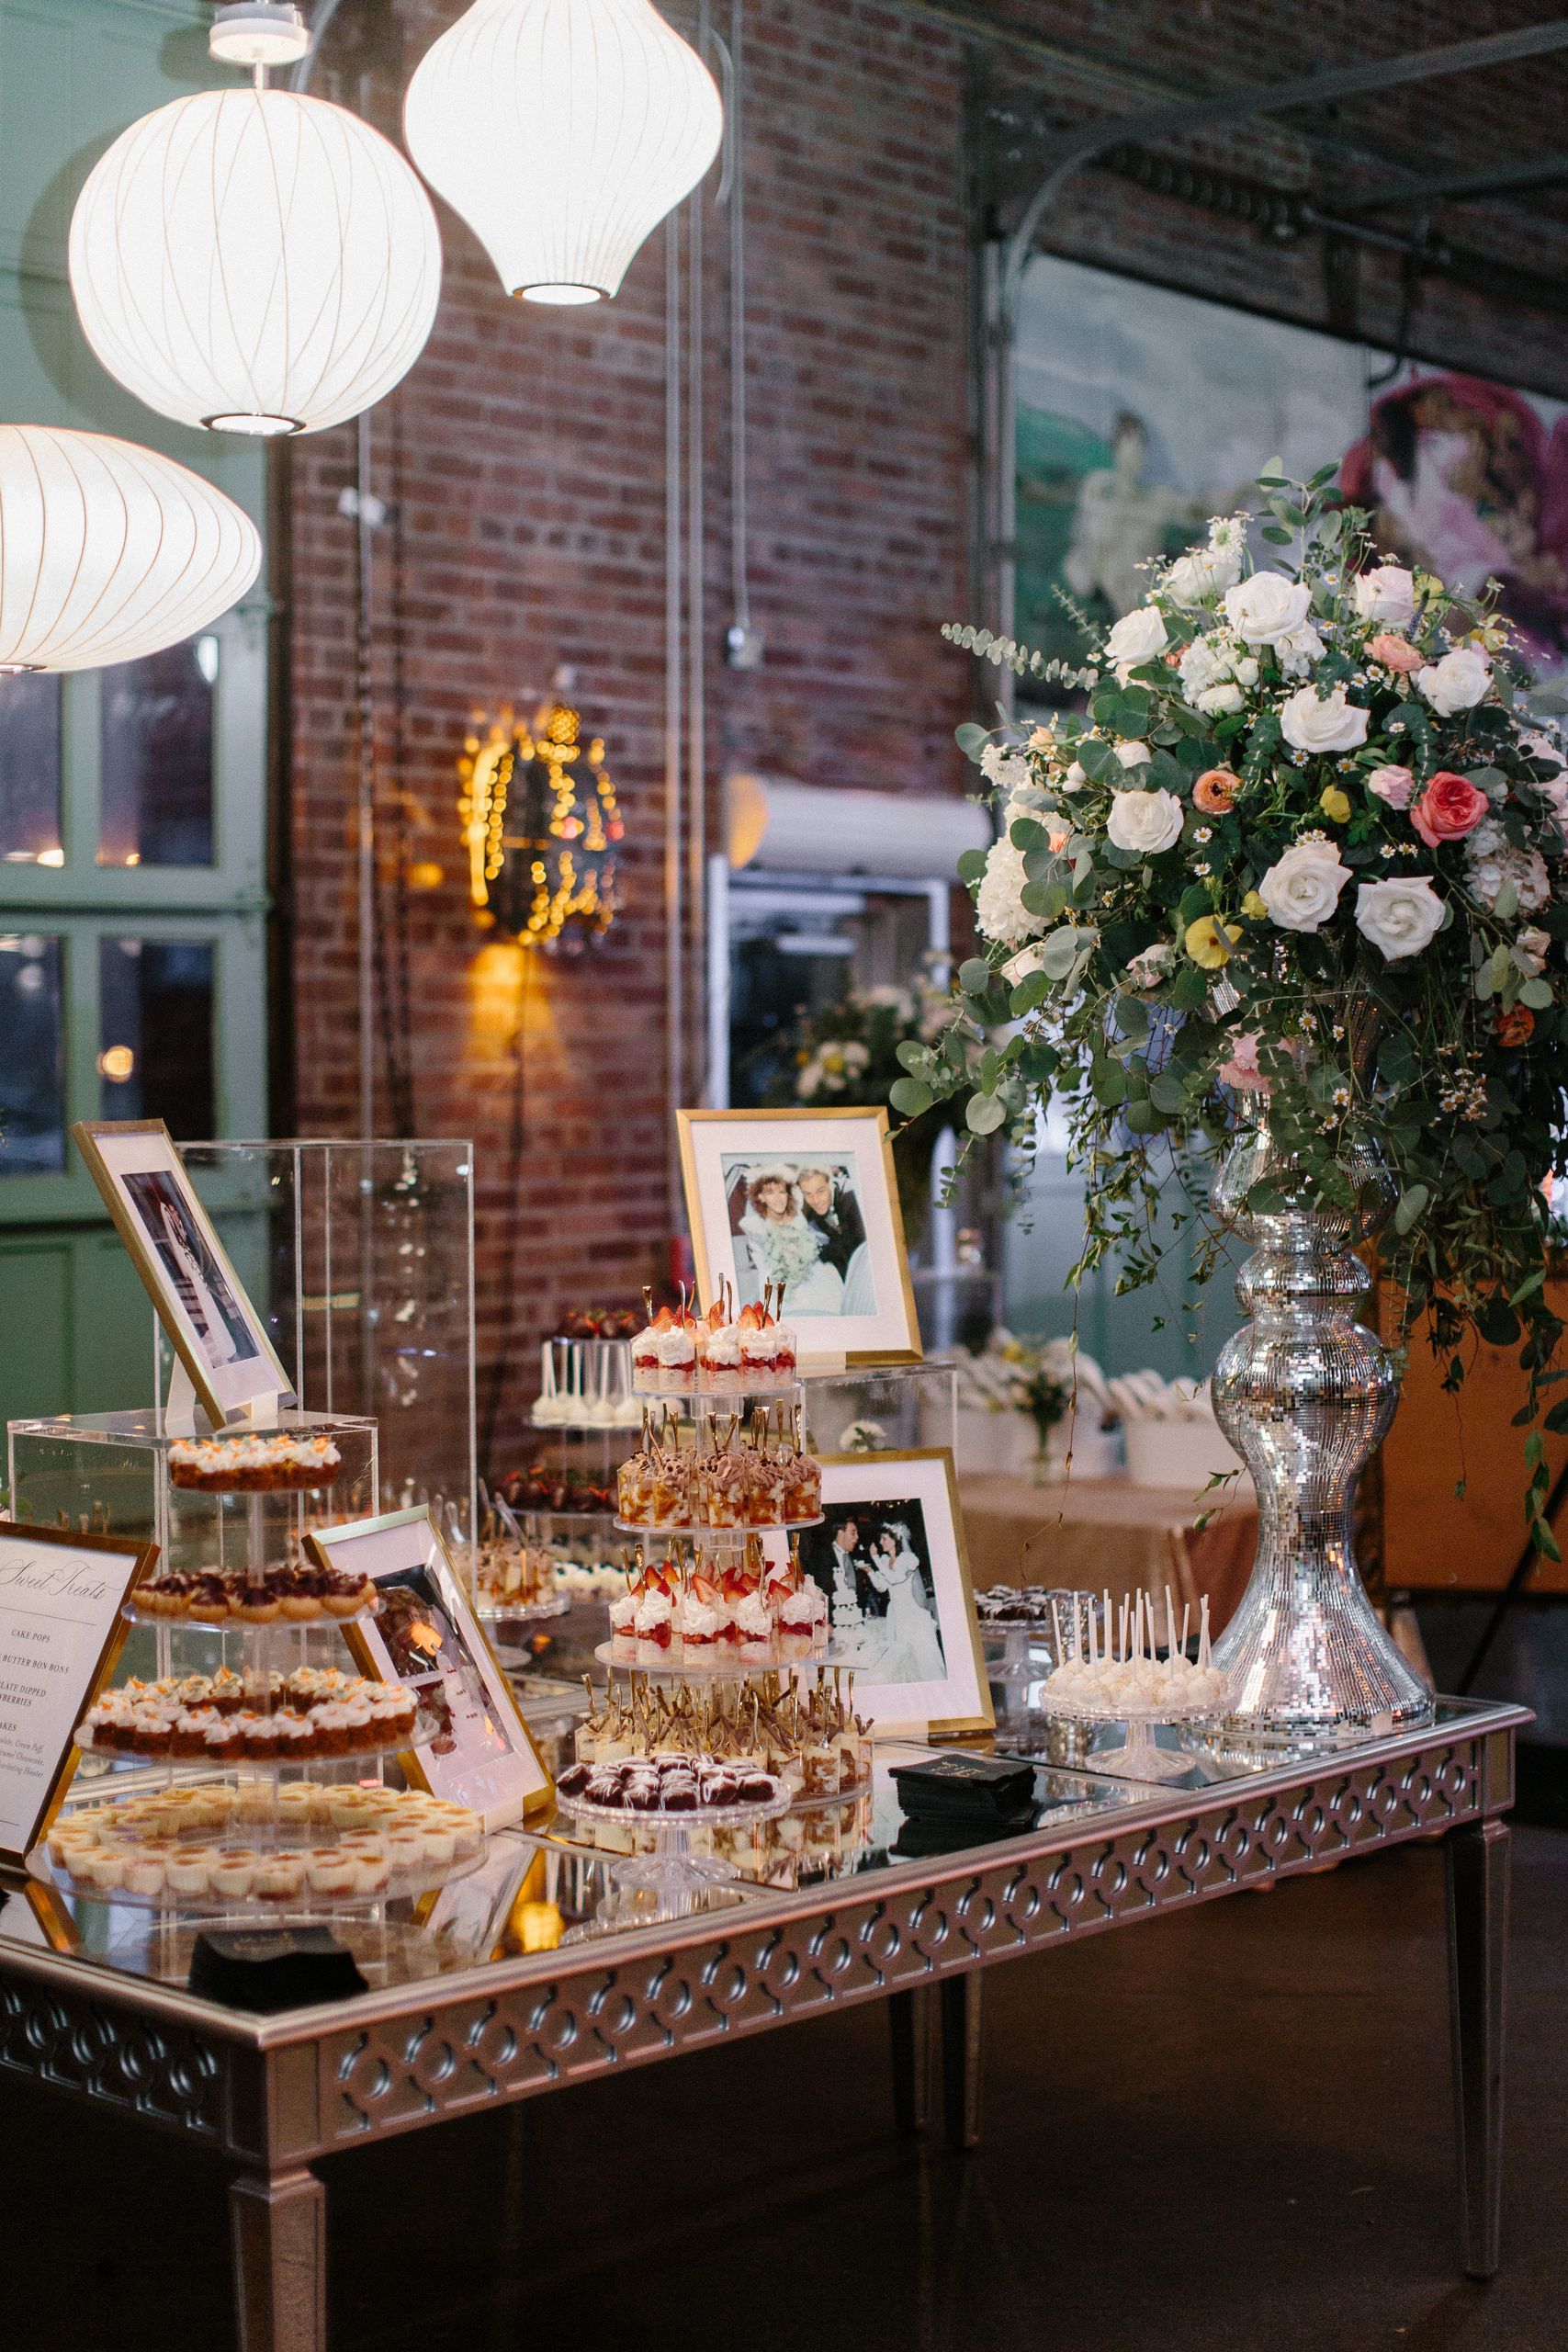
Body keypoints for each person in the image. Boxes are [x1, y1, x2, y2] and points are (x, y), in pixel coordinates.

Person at [739, 1167, 844, 1315]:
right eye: (770, 1193)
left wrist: (802, 1258)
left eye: (782, 1192)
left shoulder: (797, 1218)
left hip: (807, 1270)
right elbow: (763, 1264)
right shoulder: (756, 1226)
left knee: (827, 1281)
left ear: (788, 1194)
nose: (778, 1198)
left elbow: (808, 1248)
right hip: (776, 1277)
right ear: (761, 1196)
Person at [866, 1522, 946, 1684]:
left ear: (895, 1540)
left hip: (909, 1612)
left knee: (919, 1652)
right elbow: (882, 1587)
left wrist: (875, 1558)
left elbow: (895, 1578)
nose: (881, 1542)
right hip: (895, 1612)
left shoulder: (907, 1559)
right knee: (899, 1653)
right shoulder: (885, 1560)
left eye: (884, 1539)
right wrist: (870, 1572)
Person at [796, 1165, 865, 1281]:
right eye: (808, 1194)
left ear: (830, 1183)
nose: (816, 1201)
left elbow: (860, 1245)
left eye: (820, 1191)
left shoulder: (853, 1200)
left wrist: (818, 1252)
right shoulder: (811, 1216)